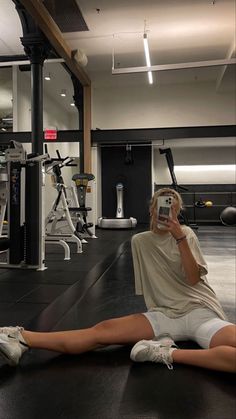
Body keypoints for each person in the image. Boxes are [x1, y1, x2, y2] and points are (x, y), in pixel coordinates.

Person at [0, 188, 235, 372]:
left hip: (201, 312)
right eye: (161, 207)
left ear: (177, 211)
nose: (165, 213)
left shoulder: (186, 234)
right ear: (152, 210)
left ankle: (163, 353)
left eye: (171, 208)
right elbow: (156, 290)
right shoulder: (140, 241)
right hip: (165, 314)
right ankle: (20, 337)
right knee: (100, 333)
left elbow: (193, 279)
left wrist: (179, 237)